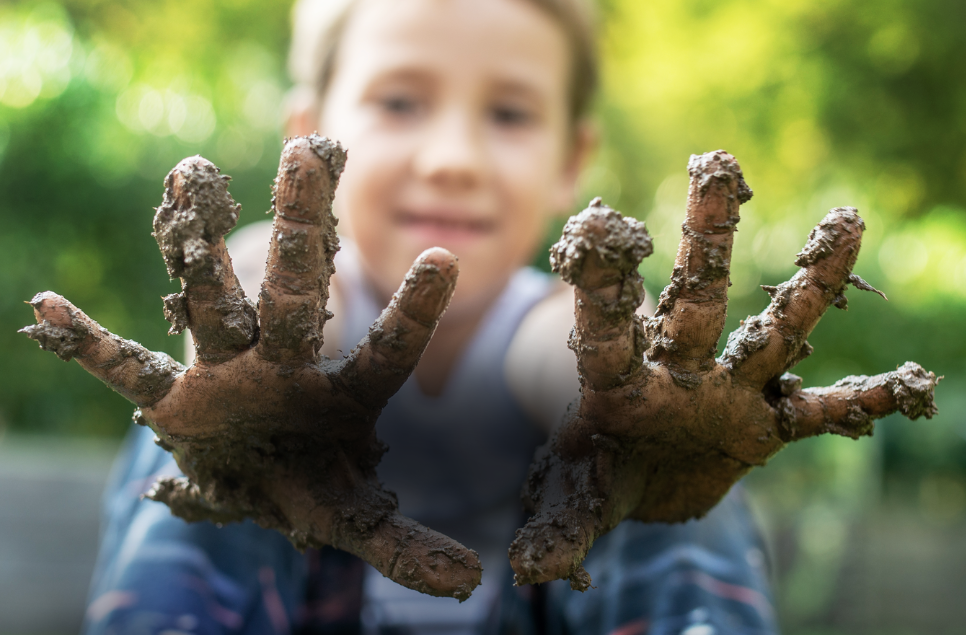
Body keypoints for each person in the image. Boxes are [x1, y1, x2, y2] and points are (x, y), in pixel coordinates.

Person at [83, 0, 778, 633]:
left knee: (641, 428)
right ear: (309, 133)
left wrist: (613, 396)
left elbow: (565, 352)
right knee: (232, 410)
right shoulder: (289, 288)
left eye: (509, 114)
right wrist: (285, 352)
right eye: (400, 101)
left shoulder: (552, 318)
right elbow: (265, 277)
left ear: (571, 159)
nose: (454, 160)